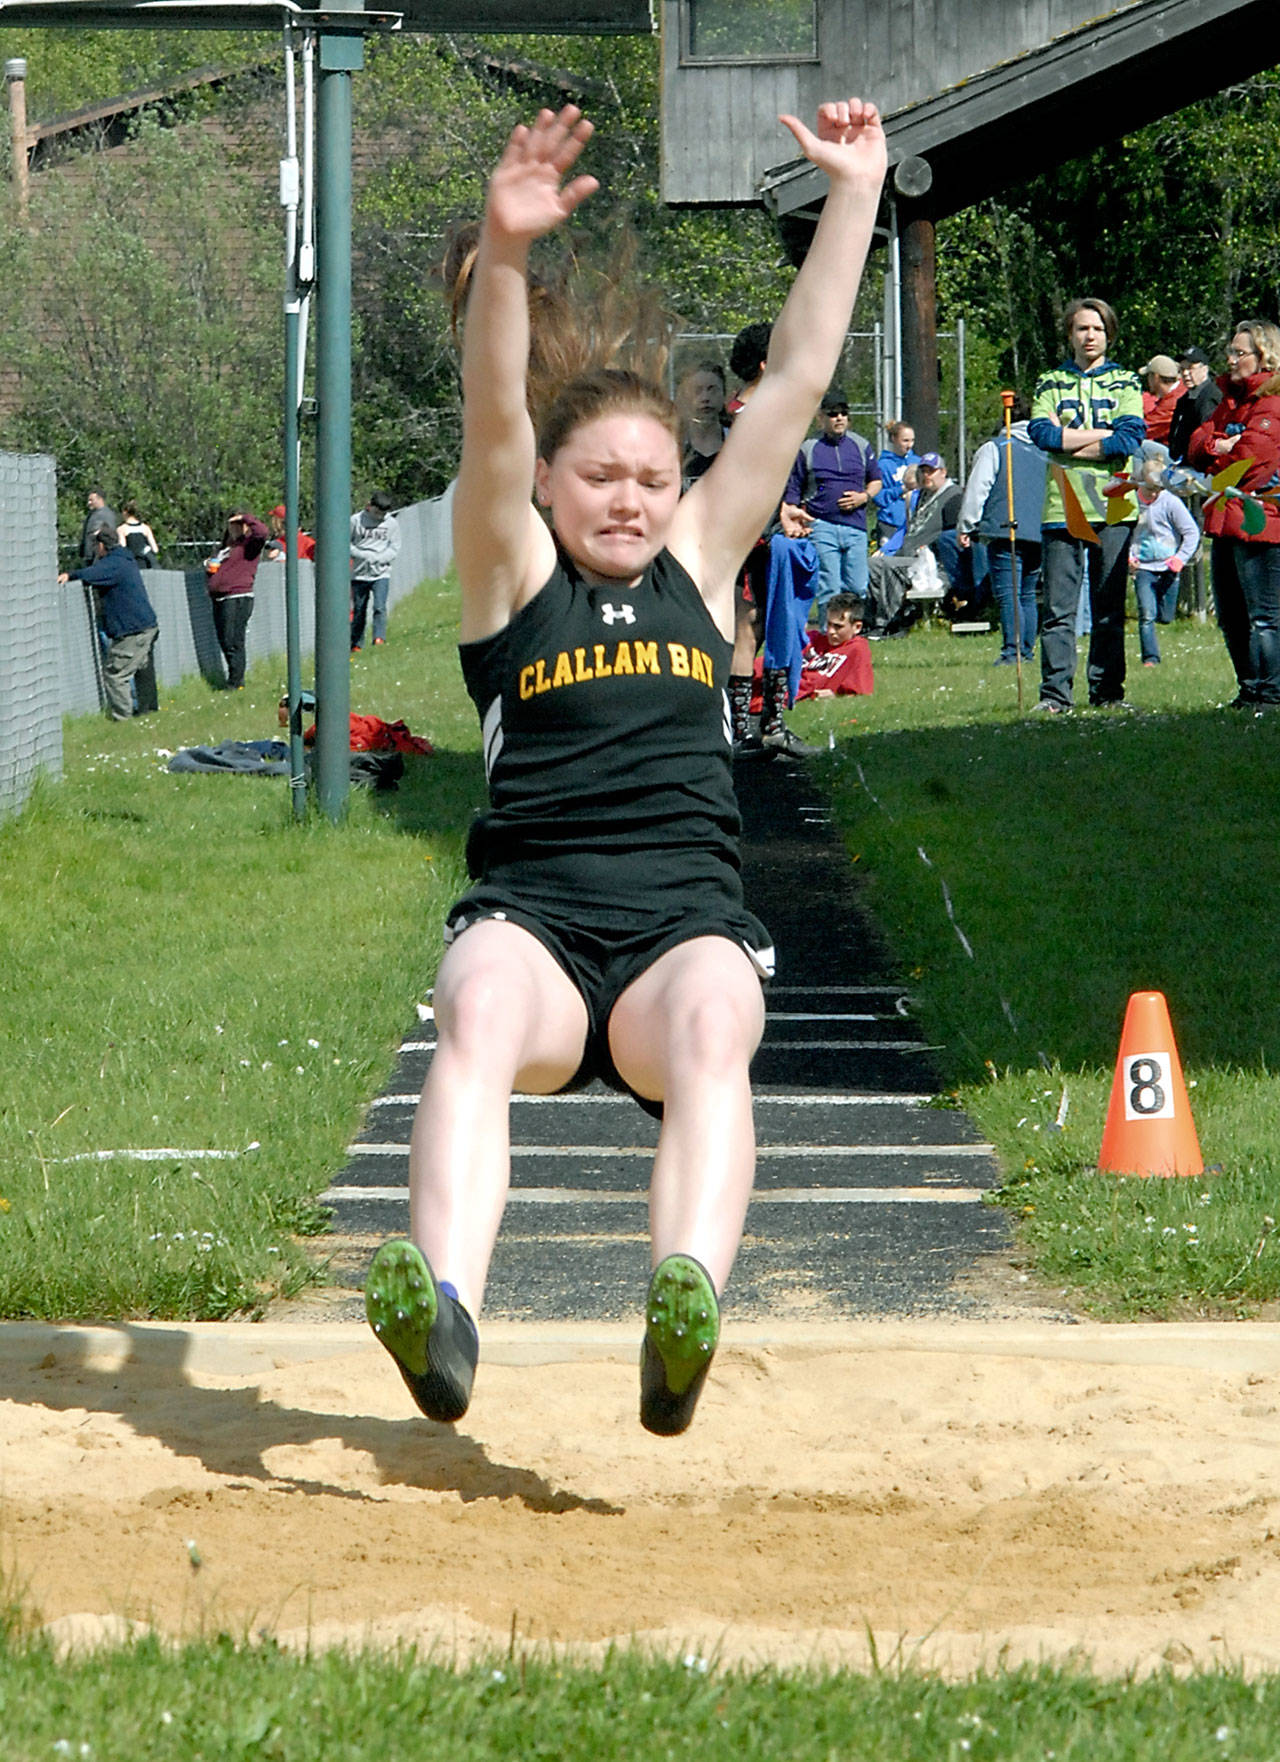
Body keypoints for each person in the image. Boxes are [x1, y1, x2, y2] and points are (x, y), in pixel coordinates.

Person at [362, 99, 887, 1438]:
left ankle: (683, 1307)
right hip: (535, 927)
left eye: (652, 477)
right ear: (548, 485)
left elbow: (801, 379)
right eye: (599, 476)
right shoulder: (510, 573)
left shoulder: (703, 568)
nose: (630, 499)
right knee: (472, 1003)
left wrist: (856, 193)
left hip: (677, 932)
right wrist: (505, 243)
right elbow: (491, 413)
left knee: (721, 1018)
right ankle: (443, 1313)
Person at [1027, 296, 1145, 713]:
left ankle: (1108, 693)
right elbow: (1041, 434)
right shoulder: (1049, 382)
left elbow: (1128, 439)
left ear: (1108, 333)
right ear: (1070, 334)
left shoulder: (1128, 381)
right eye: (1082, 328)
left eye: (1097, 328)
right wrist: (1099, 438)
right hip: (1063, 505)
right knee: (1058, 608)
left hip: (1114, 505)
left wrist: (1071, 442)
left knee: (1109, 607)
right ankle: (1055, 695)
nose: (1089, 336)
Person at [1187, 320, 1280, 707]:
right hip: (1223, 519)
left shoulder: (1273, 401)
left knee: (1264, 618)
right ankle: (1249, 690)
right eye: (1230, 351)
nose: (1230, 359)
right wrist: (1219, 446)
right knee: (1231, 615)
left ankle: (1271, 694)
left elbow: (1253, 462)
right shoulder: (1227, 401)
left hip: (1262, 523)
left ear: (1264, 355)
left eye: (1239, 353)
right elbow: (1194, 445)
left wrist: (1227, 449)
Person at [957, 394, 1046, 666]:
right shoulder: (1045, 450)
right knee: (1028, 594)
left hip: (1005, 529)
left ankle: (1012, 652)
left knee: (1009, 594)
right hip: (1039, 531)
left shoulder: (996, 447)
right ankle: (1027, 650)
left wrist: (967, 524)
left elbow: (978, 489)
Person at [781, 388, 881, 623]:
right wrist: (792, 515)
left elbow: (876, 480)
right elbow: (794, 486)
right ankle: (829, 635)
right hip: (822, 524)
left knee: (857, 585)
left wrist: (863, 497)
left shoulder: (861, 446)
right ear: (821, 418)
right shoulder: (809, 447)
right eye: (833, 413)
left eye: (843, 413)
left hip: (855, 526)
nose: (839, 418)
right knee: (830, 585)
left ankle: (853, 635)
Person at [58, 528, 159, 721]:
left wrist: (70, 575)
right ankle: (148, 711)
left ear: (102, 546)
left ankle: (123, 718)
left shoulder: (113, 564)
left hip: (133, 629)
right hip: (145, 625)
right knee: (141, 668)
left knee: (115, 674)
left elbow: (93, 574)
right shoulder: (126, 559)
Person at [864, 451, 960, 635]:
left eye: (931, 471)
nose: (926, 475)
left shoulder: (954, 496)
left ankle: (891, 623)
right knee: (872, 564)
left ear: (943, 472)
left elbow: (952, 539)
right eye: (923, 471)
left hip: (932, 565)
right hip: (909, 557)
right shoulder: (923, 495)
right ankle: (870, 621)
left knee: (889, 566)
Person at [1127, 454, 1199, 666]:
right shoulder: (1132, 502)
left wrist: (1180, 558)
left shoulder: (1171, 502)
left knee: (1165, 616)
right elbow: (1124, 535)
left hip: (1169, 567)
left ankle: (1162, 618)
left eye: (1158, 489)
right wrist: (1129, 558)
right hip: (1143, 568)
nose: (1154, 494)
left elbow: (1191, 533)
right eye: (1150, 489)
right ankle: (1151, 658)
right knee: (1146, 614)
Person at [204, 509, 267, 690]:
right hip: (219, 597)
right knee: (225, 639)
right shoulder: (225, 547)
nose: (235, 528)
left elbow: (262, 531)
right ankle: (233, 677)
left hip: (238, 596)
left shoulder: (250, 544)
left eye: (239, 525)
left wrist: (245, 518)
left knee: (234, 640)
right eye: (232, 525)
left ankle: (236, 682)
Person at [349, 491, 402, 650]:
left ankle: (379, 638)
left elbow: (395, 547)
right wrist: (362, 555)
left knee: (379, 606)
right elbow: (346, 543)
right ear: (370, 506)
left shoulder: (391, 524)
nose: (379, 517)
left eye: (383, 514)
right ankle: (356, 643)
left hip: (381, 573)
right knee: (359, 609)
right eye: (377, 512)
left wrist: (381, 558)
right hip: (359, 574)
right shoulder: (355, 521)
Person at [795, 593, 873, 698]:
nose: (831, 631)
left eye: (838, 626)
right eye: (829, 624)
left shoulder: (857, 649)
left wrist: (835, 695)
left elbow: (858, 692)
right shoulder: (814, 639)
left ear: (857, 627)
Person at [676, 360, 730, 489]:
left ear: (724, 394)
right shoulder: (674, 445)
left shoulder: (737, 441)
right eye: (697, 391)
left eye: (712, 389)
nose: (705, 397)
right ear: (684, 396)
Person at [1167, 346, 1222, 463]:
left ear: (1205, 369)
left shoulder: (1211, 397)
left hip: (1197, 466)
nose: (1186, 373)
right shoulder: (1184, 399)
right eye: (1182, 369)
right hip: (1178, 461)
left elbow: (1207, 437)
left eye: (1191, 368)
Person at [873, 419, 919, 555]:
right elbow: (878, 497)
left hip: (914, 523)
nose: (909, 445)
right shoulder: (883, 465)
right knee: (888, 560)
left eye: (912, 440)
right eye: (905, 440)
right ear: (893, 439)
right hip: (891, 523)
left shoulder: (918, 462)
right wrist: (902, 489)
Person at [1138, 354, 1184, 447]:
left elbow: (1146, 429)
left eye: (1148, 376)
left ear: (1155, 377)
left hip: (1177, 455)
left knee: (1140, 447)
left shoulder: (1172, 402)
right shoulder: (1181, 389)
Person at [79, 488, 118, 565]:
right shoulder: (91, 515)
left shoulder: (107, 515)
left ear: (100, 499)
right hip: (89, 556)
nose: (89, 503)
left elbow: (110, 537)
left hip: (100, 558)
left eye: (91, 500)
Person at [117, 501, 158, 568]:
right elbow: (155, 549)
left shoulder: (122, 529)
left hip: (130, 564)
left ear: (125, 512)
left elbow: (122, 548)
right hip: (144, 563)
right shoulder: (145, 528)